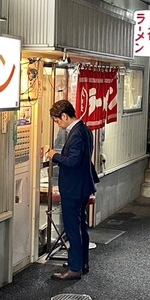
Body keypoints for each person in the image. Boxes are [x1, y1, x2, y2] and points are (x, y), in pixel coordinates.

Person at [47, 100, 98, 280]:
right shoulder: (84, 129)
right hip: (82, 186)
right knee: (81, 226)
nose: (58, 125)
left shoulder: (76, 134)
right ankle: (81, 263)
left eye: (57, 121)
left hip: (73, 189)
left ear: (64, 116)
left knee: (73, 229)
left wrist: (54, 155)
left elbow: (73, 161)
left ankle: (75, 268)